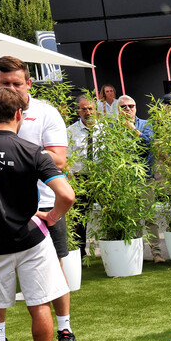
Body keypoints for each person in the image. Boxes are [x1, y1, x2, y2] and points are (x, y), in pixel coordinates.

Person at [0, 88, 74, 341]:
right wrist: (53, 216)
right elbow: (67, 195)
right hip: (29, 239)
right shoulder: (31, 150)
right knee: (39, 302)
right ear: (19, 114)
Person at [117, 96, 163, 262]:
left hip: (145, 178)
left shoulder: (146, 124)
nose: (128, 109)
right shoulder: (113, 128)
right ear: (118, 110)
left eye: (131, 106)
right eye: (124, 107)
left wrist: (132, 129)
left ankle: (156, 253)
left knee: (150, 217)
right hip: (126, 181)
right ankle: (136, 256)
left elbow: (147, 145)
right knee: (132, 219)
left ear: (136, 108)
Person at [67, 95, 95, 256]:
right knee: (79, 218)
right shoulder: (70, 132)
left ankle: (112, 246)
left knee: (110, 214)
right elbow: (66, 157)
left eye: (90, 108)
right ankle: (80, 253)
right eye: (84, 109)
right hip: (80, 179)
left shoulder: (105, 129)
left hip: (102, 178)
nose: (88, 112)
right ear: (78, 111)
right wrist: (71, 177)